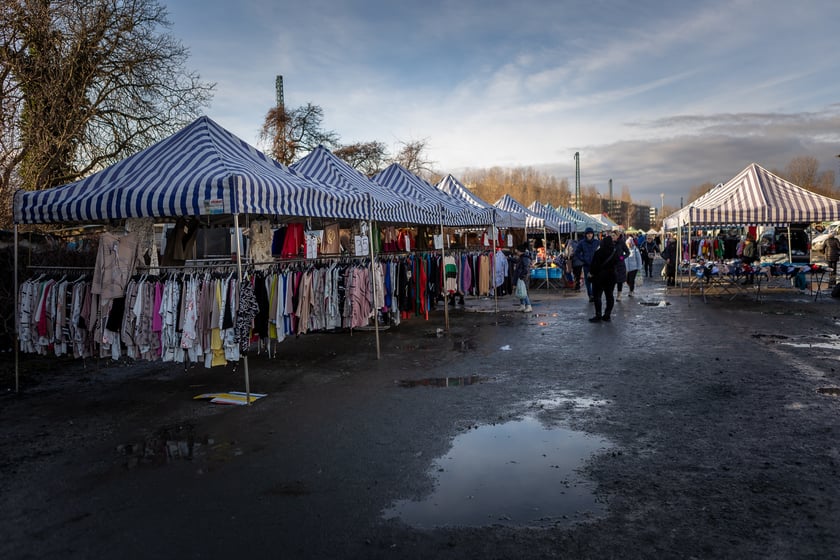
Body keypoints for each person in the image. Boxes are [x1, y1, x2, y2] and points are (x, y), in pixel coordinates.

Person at [588, 233, 618, 322]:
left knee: (597, 296)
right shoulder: (615, 252)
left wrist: (591, 273)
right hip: (611, 277)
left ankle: (598, 315)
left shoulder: (599, 252)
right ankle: (607, 315)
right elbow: (618, 261)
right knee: (609, 296)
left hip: (599, 278)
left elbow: (594, 266)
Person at [573, 227, 600, 302]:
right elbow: (577, 252)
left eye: (591, 233)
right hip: (586, 265)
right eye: (588, 234)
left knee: (595, 280)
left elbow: (601, 251)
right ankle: (590, 295)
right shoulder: (582, 243)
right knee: (588, 281)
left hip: (595, 265)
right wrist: (583, 259)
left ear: (593, 234)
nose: (589, 235)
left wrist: (598, 259)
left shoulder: (597, 242)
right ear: (585, 234)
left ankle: (594, 294)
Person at [513, 243, 532, 313]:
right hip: (522, 276)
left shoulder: (525, 258)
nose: (516, 252)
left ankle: (528, 306)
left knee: (524, 291)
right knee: (521, 290)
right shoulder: (522, 257)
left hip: (524, 277)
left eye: (517, 250)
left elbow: (526, 269)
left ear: (520, 251)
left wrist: (521, 276)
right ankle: (522, 305)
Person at [612, 231, 630, 301]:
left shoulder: (621, 243)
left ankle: (619, 295)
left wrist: (622, 257)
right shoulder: (610, 243)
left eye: (614, 235)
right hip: (612, 264)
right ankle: (610, 295)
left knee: (619, 281)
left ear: (617, 236)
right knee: (612, 281)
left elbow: (628, 252)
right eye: (611, 235)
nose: (612, 237)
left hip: (620, 264)